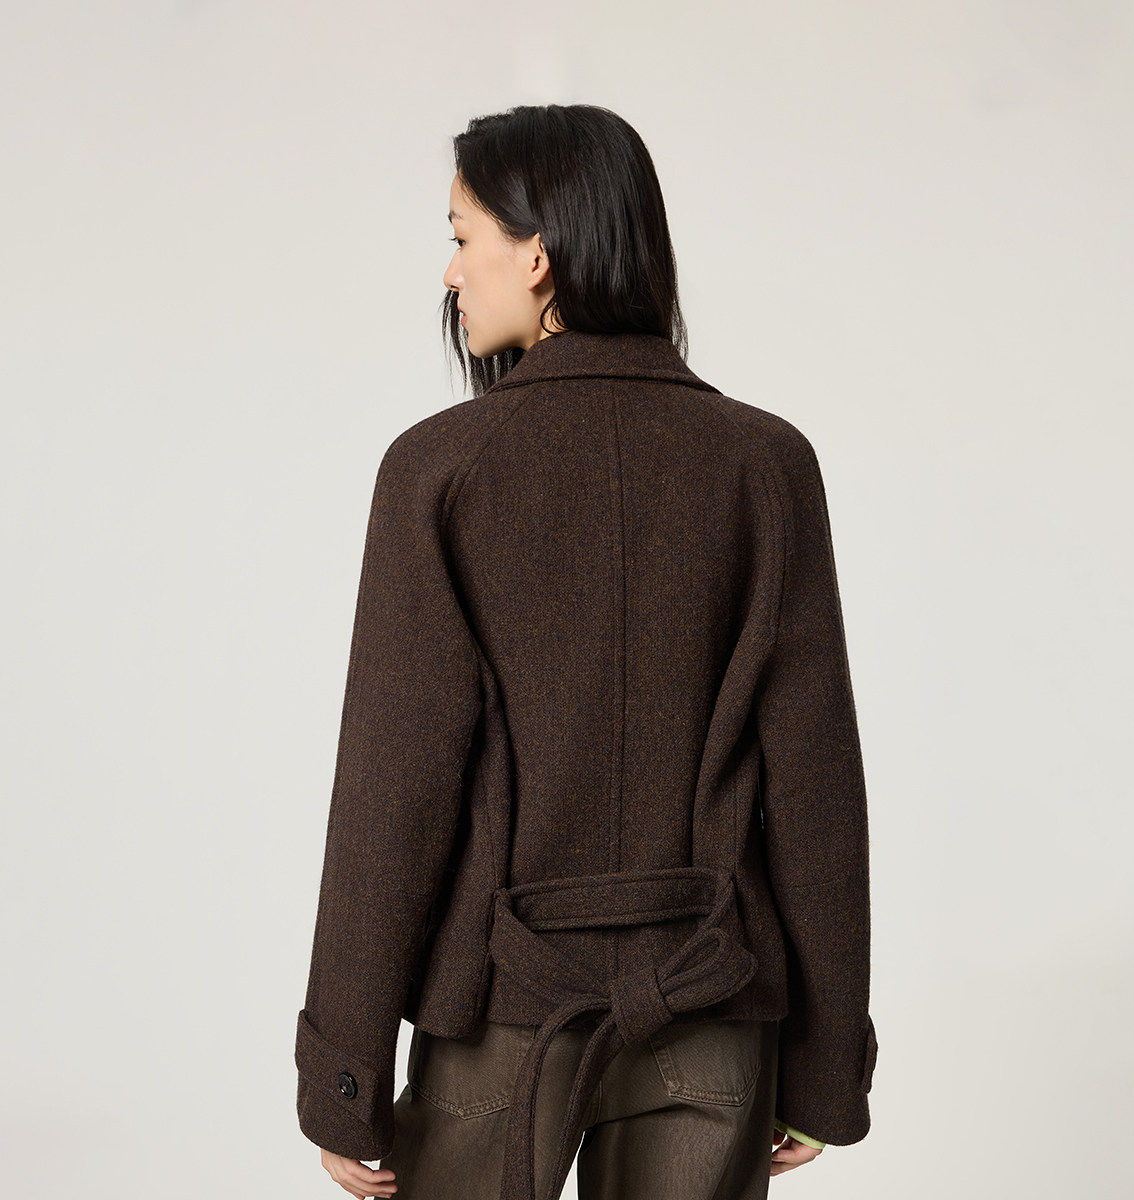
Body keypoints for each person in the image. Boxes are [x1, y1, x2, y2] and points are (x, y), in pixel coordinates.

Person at [294, 103, 877, 1200]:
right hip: (713, 1012)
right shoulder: (767, 465)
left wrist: (344, 1073)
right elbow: (815, 789)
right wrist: (826, 1065)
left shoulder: (439, 471)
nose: (452, 273)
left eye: (463, 236)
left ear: (539, 253)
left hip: (501, 1018)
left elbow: (393, 790)